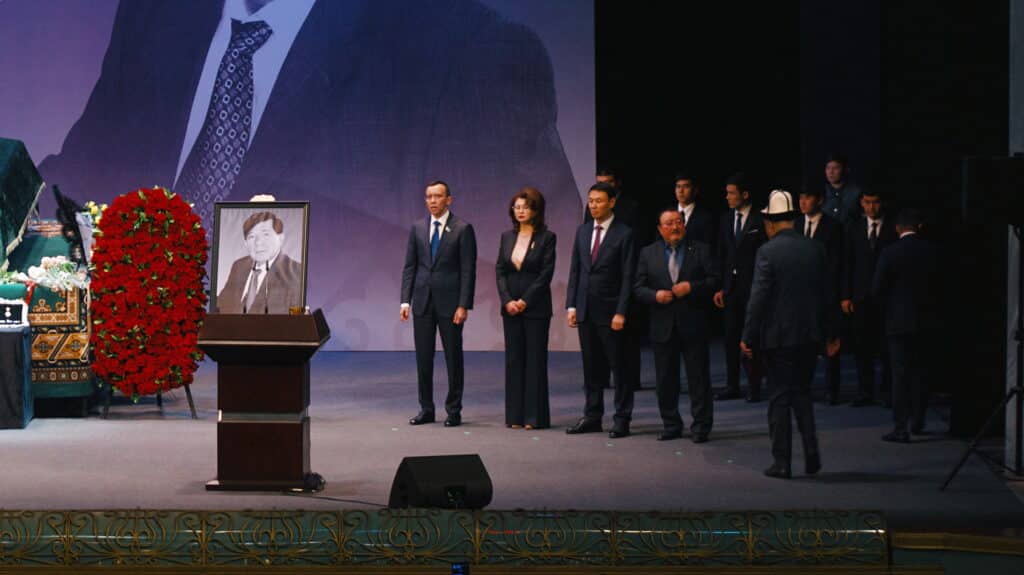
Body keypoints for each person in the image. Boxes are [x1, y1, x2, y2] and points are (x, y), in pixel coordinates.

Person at [37, 0, 582, 350]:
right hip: (141, 377)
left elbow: (528, 276)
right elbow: (82, 173)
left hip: (341, 392)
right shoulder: (155, 15)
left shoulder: (466, 53)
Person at [742, 190, 840, 479]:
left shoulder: (767, 251)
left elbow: (758, 298)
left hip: (778, 337)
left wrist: (747, 335)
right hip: (810, 335)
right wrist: (832, 333)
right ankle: (812, 455)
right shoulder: (815, 248)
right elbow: (828, 294)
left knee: (779, 398)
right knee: (802, 393)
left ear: (770, 222)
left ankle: (782, 462)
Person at [634, 209, 719, 442]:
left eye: (679, 222)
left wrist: (692, 287)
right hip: (662, 326)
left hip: (693, 324)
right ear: (660, 229)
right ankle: (671, 425)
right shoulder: (648, 253)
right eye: (669, 223)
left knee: (698, 380)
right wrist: (655, 296)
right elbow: (638, 288)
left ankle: (701, 426)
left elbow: (714, 280)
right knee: (665, 381)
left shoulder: (701, 249)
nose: (675, 227)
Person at [400, 181, 476, 427]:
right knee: (423, 358)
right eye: (429, 196)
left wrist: (463, 305)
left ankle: (454, 410)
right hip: (422, 302)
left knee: (453, 357)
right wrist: (405, 300)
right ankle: (426, 409)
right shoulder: (417, 228)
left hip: (450, 304)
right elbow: (410, 266)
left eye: (438, 196)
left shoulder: (462, 229)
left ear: (448, 199)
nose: (432, 201)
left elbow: (468, 270)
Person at [565, 181, 637, 438]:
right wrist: (571, 305)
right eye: (591, 201)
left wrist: (621, 311)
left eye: (599, 201)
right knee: (591, 367)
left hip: (611, 311)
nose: (593, 205)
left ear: (612, 202)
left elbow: (628, 276)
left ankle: (622, 418)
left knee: (619, 367)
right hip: (585, 309)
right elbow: (575, 270)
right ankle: (592, 416)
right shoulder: (583, 231)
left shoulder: (624, 233)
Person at [871, 209, 940, 442]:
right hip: (927, 320)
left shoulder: (889, 252)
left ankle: (901, 427)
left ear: (897, 228)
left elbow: (878, 289)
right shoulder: (932, 251)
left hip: (898, 322)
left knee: (900, 375)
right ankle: (918, 421)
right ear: (919, 226)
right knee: (921, 373)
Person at [496, 187, 556, 430]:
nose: (520, 211)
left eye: (526, 207)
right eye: (517, 207)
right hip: (510, 307)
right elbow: (500, 271)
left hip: (535, 308)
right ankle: (515, 416)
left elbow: (546, 274)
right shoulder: (506, 237)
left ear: (536, 210)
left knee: (535, 360)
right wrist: (507, 300)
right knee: (514, 360)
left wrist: (525, 301)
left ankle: (534, 417)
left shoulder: (547, 237)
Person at [841, 189, 897, 407]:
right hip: (860, 296)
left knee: (885, 347)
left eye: (875, 202)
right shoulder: (854, 228)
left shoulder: (893, 227)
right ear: (861, 203)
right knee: (862, 347)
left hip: (886, 297)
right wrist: (846, 295)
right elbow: (847, 263)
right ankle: (865, 391)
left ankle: (887, 391)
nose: (871, 207)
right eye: (867, 202)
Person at [714, 172, 766, 402]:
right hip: (730, 289)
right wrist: (721, 287)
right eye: (727, 193)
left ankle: (754, 386)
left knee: (752, 338)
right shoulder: (725, 219)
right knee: (730, 337)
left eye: (731, 193)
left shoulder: (760, 219)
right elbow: (722, 255)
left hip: (753, 288)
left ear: (745, 194)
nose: (727, 197)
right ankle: (732, 385)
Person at [794, 186, 844, 404]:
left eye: (808, 197)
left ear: (820, 200)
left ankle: (832, 390)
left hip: (825, 292)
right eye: (800, 197)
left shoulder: (834, 227)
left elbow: (837, 262)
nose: (803, 202)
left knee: (829, 340)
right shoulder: (796, 225)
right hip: (799, 294)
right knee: (802, 342)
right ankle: (803, 388)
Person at [216, 211, 303, 314]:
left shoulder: (296, 272)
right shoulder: (239, 266)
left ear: (280, 238)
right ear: (245, 243)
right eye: (252, 237)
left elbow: (297, 317)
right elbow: (221, 303)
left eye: (265, 234)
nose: (258, 242)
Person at [673, 173, 716, 247]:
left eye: (686, 186)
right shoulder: (665, 214)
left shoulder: (706, 218)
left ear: (695, 190)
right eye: (678, 186)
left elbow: (707, 247)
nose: (681, 191)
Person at [822, 153, 863, 224]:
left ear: (846, 169)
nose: (831, 172)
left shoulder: (857, 192)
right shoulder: (821, 191)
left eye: (836, 168)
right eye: (828, 168)